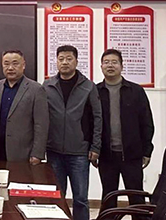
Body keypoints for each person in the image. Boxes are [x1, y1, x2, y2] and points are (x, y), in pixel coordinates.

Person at [43, 45, 102, 220]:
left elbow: (97, 118)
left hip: (79, 152)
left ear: (76, 61)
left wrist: (95, 147)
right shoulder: (47, 86)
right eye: (61, 59)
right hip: (54, 151)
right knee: (56, 196)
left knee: (81, 198)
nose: (65, 62)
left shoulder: (88, 87)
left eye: (69, 59)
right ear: (56, 61)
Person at [97, 48, 154, 211]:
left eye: (114, 62)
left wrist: (147, 151)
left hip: (132, 155)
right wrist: (93, 149)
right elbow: (89, 123)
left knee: (136, 196)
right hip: (106, 155)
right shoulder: (95, 91)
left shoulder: (135, 91)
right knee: (108, 196)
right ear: (101, 66)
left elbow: (147, 123)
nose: (110, 65)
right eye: (106, 62)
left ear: (122, 66)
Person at [0, 50, 48, 164]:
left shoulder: (36, 89)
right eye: (6, 63)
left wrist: (37, 154)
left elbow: (41, 125)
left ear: (23, 65)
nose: (10, 68)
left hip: (23, 153)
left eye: (15, 63)